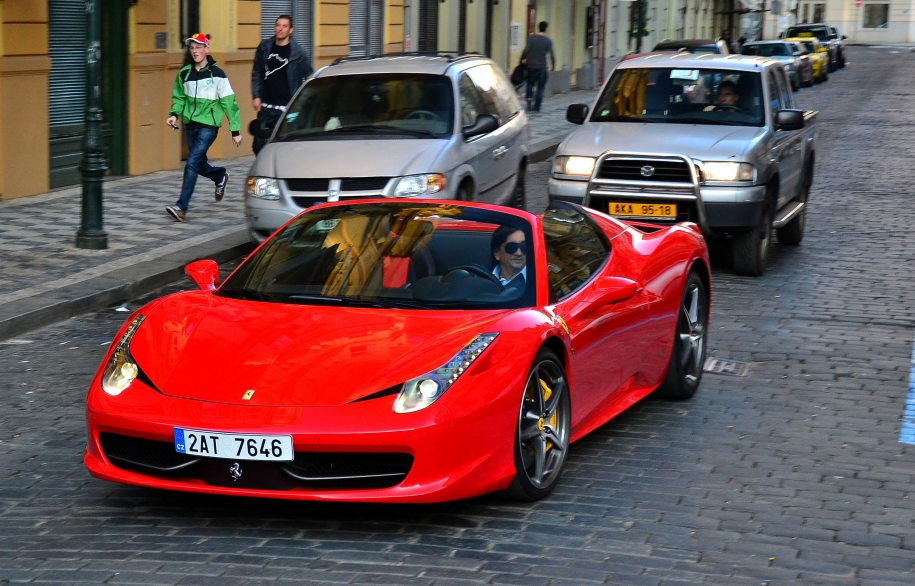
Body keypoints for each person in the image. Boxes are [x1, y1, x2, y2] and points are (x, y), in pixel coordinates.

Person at [165, 34, 242, 222]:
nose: (195, 51)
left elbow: (229, 103)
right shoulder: (184, 73)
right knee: (198, 164)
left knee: (191, 163)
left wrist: (235, 130)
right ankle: (220, 175)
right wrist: (174, 115)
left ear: (206, 49)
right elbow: (179, 98)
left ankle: (181, 207)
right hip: (190, 126)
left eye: (198, 47)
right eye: (192, 48)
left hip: (209, 126)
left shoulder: (218, 74)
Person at [251, 14, 314, 154]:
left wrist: (302, 102)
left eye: (284, 26)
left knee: (283, 147)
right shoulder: (264, 47)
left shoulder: (299, 53)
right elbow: (257, 72)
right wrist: (256, 95)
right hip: (266, 107)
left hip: (287, 109)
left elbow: (309, 77)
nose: (280, 29)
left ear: (290, 30)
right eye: (278, 25)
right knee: (258, 146)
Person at [521, 21, 555, 113]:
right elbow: (552, 55)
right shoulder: (548, 41)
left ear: (538, 28)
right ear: (545, 29)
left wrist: (522, 60)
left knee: (530, 84)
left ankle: (529, 97)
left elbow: (526, 50)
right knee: (540, 87)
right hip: (542, 67)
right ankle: (537, 107)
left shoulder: (531, 39)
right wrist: (553, 67)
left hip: (531, 66)